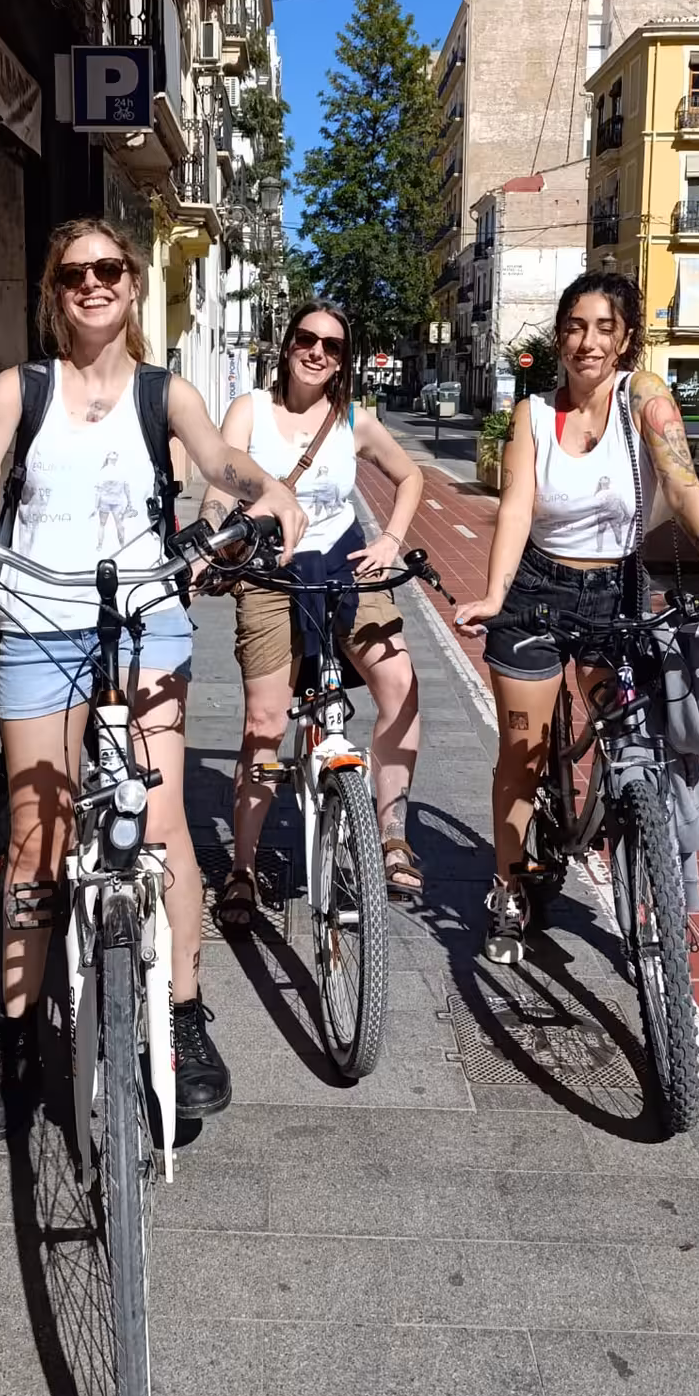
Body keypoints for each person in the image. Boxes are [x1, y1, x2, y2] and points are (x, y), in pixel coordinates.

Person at [0, 218, 306, 1139]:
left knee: (164, 835)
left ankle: (188, 1022)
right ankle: (12, 1049)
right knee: (38, 848)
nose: (94, 284)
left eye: (110, 269)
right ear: (54, 290)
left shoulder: (168, 391)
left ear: (130, 285)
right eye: (76, 272)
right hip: (41, 623)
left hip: (145, 622)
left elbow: (216, 456)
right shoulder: (23, 387)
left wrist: (264, 489)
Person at [452, 271, 699, 963]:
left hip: (617, 591)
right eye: (575, 326)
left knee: (633, 746)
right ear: (558, 337)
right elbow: (516, 508)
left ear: (627, 338)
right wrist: (493, 593)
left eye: (605, 328)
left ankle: (652, 879)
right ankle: (510, 888)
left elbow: (684, 488)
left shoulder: (645, 397)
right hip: (539, 593)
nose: (588, 341)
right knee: (522, 756)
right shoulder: (531, 417)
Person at [199, 302, 426, 929]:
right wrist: (214, 535)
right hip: (270, 577)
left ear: (344, 359)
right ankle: (241, 868)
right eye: (306, 338)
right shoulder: (250, 410)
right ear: (288, 344)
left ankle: (392, 833)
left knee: (401, 686)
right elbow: (221, 479)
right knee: (265, 724)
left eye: (332, 345)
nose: (317, 352)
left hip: (346, 571)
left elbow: (410, 477)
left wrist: (390, 541)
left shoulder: (354, 418)